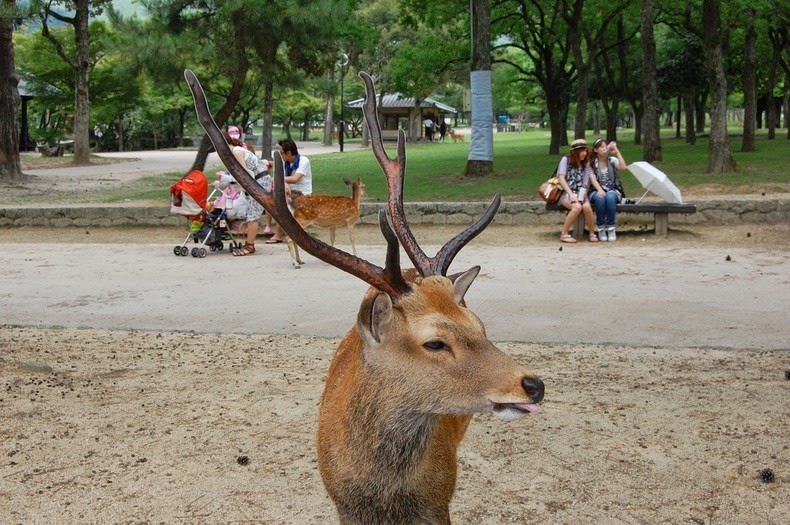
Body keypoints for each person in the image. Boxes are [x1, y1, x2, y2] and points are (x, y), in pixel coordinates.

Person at [220, 130, 271, 256]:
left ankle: (250, 245)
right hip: (258, 181)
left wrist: (228, 180)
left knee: (252, 215)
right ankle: (249, 243)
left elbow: (245, 174)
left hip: (259, 182)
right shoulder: (235, 152)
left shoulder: (237, 152)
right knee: (251, 213)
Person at [266, 138, 313, 244]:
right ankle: (269, 226)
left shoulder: (303, 161)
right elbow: (283, 178)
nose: (281, 156)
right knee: (271, 198)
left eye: (282, 153)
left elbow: (295, 179)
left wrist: (280, 180)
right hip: (289, 192)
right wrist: (284, 183)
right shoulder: (284, 163)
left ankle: (279, 234)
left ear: (288, 153)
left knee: (282, 203)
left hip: (302, 194)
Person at [556, 138, 598, 243]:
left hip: (580, 192)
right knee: (576, 207)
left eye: (585, 151)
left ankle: (592, 233)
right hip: (566, 192)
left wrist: (581, 195)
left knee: (587, 207)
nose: (584, 153)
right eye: (581, 151)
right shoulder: (566, 160)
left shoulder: (586, 164)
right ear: (575, 152)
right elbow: (561, 178)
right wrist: (571, 194)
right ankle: (564, 234)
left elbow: (584, 182)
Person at [589, 138, 628, 241]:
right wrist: (599, 189)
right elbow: (592, 179)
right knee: (600, 198)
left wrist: (617, 152)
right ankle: (601, 227)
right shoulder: (592, 163)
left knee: (610, 196)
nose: (604, 149)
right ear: (596, 150)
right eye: (601, 147)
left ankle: (611, 228)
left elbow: (623, 167)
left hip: (612, 190)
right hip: (595, 190)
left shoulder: (612, 161)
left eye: (605, 146)